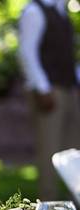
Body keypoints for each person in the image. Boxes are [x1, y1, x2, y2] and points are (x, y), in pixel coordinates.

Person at [18, 0, 80, 199]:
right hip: (49, 91)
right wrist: (42, 88)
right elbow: (27, 52)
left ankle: (73, 209)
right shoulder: (34, 10)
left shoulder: (62, 11)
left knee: (75, 153)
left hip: (69, 89)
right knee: (49, 153)